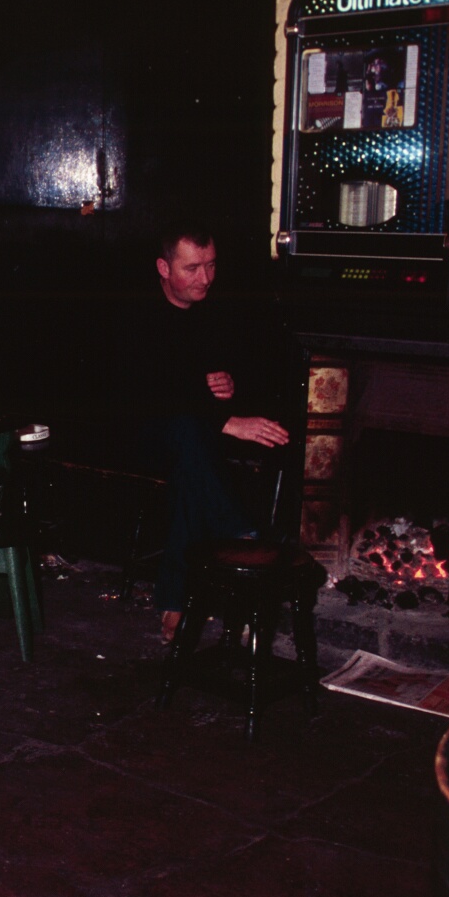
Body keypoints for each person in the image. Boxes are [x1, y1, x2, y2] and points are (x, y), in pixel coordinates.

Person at [124, 224, 290, 642]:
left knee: (190, 467)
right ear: (164, 268)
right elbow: (147, 393)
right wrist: (227, 421)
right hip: (139, 436)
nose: (205, 278)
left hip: (193, 440)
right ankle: (242, 535)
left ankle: (176, 600)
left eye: (211, 266)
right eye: (193, 268)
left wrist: (231, 386)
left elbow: (239, 372)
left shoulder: (215, 311)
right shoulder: (137, 314)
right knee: (186, 439)